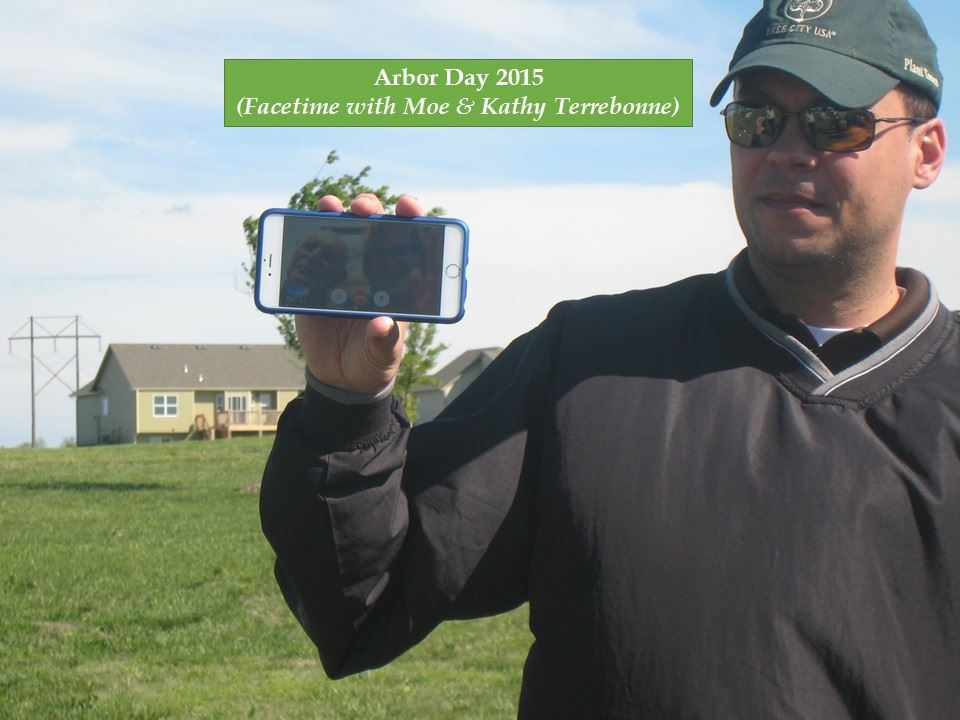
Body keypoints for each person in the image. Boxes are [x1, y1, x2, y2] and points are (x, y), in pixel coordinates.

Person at [259, 0, 958, 716]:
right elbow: (364, 599)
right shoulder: (584, 360)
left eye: (834, 120)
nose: (785, 149)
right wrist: (346, 408)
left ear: (926, 152)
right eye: (756, 119)